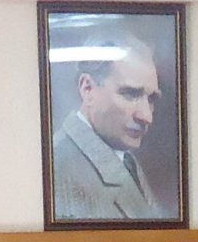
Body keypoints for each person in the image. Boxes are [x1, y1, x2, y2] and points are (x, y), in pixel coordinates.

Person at [52, 40, 168, 222]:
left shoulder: (125, 159)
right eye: (130, 94)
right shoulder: (58, 171)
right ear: (88, 89)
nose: (147, 116)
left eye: (151, 99)